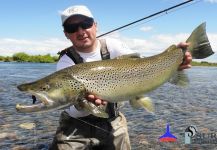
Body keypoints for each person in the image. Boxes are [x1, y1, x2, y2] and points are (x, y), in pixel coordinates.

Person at [50, 5, 192, 150]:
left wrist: (175, 59)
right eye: (72, 27)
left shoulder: (113, 45)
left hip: (112, 120)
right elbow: (65, 99)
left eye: (85, 24)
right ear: (66, 33)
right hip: (75, 124)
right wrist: (86, 103)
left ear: (95, 25)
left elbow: (143, 65)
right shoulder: (66, 62)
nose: (80, 31)